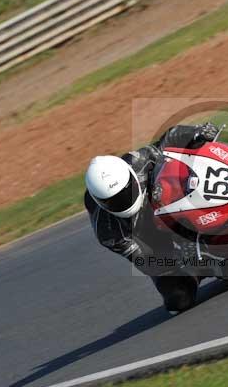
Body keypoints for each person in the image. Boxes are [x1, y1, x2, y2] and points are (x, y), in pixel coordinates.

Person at [84, 123, 220, 312]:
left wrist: (196, 132)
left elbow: (168, 140)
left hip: (176, 204)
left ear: (130, 175)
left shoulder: (138, 161)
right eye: (113, 201)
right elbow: (146, 262)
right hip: (155, 241)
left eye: (126, 191)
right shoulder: (108, 232)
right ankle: (197, 271)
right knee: (178, 301)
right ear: (100, 202)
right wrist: (179, 257)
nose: (123, 201)